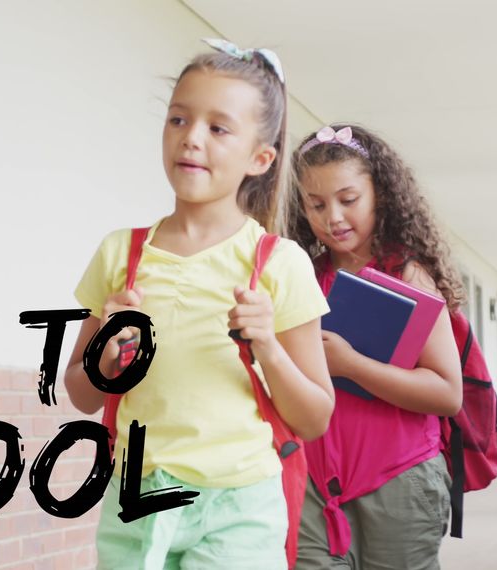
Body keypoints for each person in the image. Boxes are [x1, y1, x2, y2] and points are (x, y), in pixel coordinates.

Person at [63, 40, 334, 569]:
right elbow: (81, 394)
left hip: (239, 509)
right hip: (135, 501)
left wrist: (269, 349)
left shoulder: (279, 263)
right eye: (178, 120)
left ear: (260, 158)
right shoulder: (121, 252)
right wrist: (107, 353)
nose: (191, 139)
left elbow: (315, 418)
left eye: (217, 128)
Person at [288, 124, 463, 570]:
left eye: (349, 200)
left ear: (379, 195)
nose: (333, 217)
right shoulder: (298, 277)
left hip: (399, 478)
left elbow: (447, 393)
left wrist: (351, 365)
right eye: (316, 204)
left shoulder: (408, 276)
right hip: (313, 482)